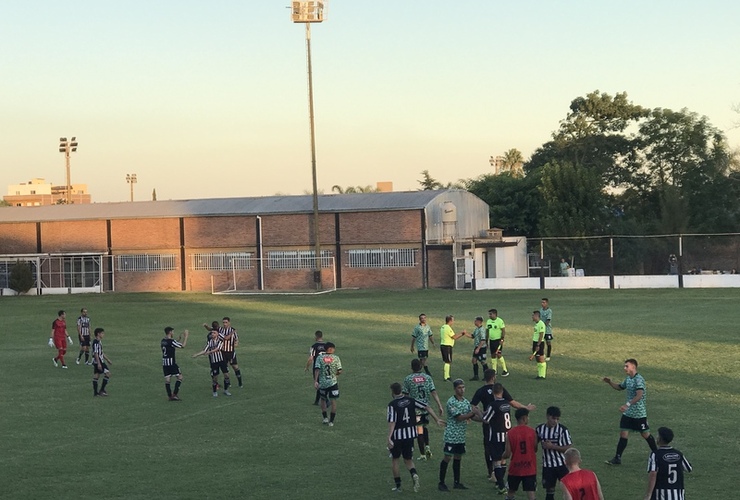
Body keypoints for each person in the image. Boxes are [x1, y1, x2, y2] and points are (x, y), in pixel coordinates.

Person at [471, 369, 537, 490]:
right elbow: (513, 403)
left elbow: (475, 408)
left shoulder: (481, 392)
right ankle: (500, 480)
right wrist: (526, 407)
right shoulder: (504, 398)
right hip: (506, 431)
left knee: (491, 451)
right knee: (503, 457)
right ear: (494, 377)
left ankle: (494, 477)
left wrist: (475, 415)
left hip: (492, 428)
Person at [387, 382, 444, 493]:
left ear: (393, 392)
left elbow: (392, 421)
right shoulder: (411, 400)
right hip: (410, 435)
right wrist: (436, 419)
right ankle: (414, 474)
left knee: (395, 460)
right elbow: (426, 407)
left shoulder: (392, 404)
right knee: (408, 459)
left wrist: (389, 437)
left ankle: (398, 486)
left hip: (397, 436)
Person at [603, 358, 658, 465]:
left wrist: (627, 405)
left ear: (633, 366)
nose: (624, 368)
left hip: (639, 414)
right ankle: (617, 458)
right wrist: (610, 382)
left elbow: (639, 395)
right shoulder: (628, 379)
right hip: (628, 414)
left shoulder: (639, 380)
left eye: (626, 366)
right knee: (623, 434)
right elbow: (620, 387)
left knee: (645, 435)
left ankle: (657, 454)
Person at [438, 379, 482, 492]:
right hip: (451, 435)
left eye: (463, 387)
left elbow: (471, 417)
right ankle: (441, 482)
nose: (462, 390)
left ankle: (456, 482)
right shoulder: (451, 402)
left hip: (460, 436)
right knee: (447, 457)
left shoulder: (466, 402)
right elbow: (459, 417)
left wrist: (483, 418)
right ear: (455, 389)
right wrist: (474, 412)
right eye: (459, 388)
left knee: (458, 457)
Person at [402, 358, 444, 461]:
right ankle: (427, 446)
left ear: (411, 367)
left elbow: (406, 396)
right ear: (421, 366)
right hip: (427, 408)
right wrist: (439, 405)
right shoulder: (427, 378)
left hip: (416, 410)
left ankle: (422, 454)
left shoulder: (408, 379)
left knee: (419, 430)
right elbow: (433, 392)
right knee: (424, 427)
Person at [643, 427, 692, 500]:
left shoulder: (655, 454)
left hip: (661, 494)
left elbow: (653, 474)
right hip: (677, 495)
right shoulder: (678, 454)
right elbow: (688, 468)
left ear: (659, 439)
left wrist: (648, 494)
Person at [481, 382, 512, 494]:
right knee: (503, 461)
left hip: (496, 437)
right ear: (502, 392)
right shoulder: (506, 404)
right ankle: (500, 484)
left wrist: (478, 412)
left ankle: (501, 486)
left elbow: (486, 419)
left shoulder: (493, 405)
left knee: (496, 462)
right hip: (507, 436)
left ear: (493, 392)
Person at [535, 406, 572, 500]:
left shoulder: (563, 430)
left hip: (561, 465)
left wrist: (552, 447)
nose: (555, 421)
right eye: (553, 418)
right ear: (547, 416)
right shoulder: (540, 429)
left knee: (568, 489)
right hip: (547, 466)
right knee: (549, 491)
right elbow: (534, 445)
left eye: (557, 419)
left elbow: (568, 448)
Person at [503, 408, 538, 500]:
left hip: (515, 467)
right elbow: (535, 448)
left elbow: (507, 454)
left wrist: (501, 457)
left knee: (511, 492)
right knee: (531, 493)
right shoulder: (532, 432)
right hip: (529, 467)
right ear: (524, 418)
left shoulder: (510, 433)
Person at [192, 329, 231, 397]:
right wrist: (197, 354)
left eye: (214, 333)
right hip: (214, 362)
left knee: (227, 375)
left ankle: (226, 390)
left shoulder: (220, 341)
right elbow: (204, 350)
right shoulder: (209, 342)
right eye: (212, 333)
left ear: (217, 334)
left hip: (222, 361)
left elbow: (218, 349)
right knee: (215, 377)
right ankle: (214, 391)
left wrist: (209, 352)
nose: (212, 334)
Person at [314, 342, 342, 426]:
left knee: (323, 400)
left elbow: (317, 369)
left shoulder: (320, 358)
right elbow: (340, 370)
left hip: (323, 382)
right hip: (333, 383)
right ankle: (331, 421)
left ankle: (325, 418)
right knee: (333, 401)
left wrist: (316, 380)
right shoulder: (336, 358)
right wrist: (336, 375)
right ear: (330, 348)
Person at [161, 326, 188, 401]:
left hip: (165, 362)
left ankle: (170, 396)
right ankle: (175, 394)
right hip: (171, 362)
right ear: (170, 332)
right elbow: (182, 346)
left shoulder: (163, 340)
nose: (173, 333)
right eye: (172, 332)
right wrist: (186, 337)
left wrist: (178, 339)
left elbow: (170, 345)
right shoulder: (171, 341)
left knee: (167, 379)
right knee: (180, 377)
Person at [440, 315, 468, 382]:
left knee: (446, 361)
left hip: (443, 345)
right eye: (453, 320)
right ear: (450, 321)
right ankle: (446, 377)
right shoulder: (448, 328)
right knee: (448, 361)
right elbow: (454, 337)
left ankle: (446, 376)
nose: (453, 322)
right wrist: (462, 333)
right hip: (447, 346)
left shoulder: (442, 327)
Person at [218, 317, 242, 388]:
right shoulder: (220, 330)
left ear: (229, 323)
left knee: (235, 367)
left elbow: (236, 341)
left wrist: (235, 344)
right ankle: (228, 383)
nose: (224, 324)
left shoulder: (232, 331)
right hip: (222, 352)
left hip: (230, 352)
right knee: (225, 368)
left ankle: (240, 382)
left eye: (226, 322)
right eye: (223, 322)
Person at [305, 330, 328, 405]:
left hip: (317, 367)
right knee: (321, 383)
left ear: (316, 337)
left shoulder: (314, 346)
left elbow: (311, 358)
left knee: (317, 383)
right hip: (325, 366)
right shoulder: (326, 346)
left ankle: (326, 400)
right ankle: (316, 401)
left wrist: (307, 366)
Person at [487, 308, 508, 377]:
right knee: (493, 355)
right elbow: (487, 331)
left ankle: (505, 370)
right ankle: (494, 370)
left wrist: (502, 339)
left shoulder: (499, 321)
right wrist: (486, 340)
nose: (489, 315)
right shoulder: (488, 321)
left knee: (498, 354)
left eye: (491, 314)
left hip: (498, 340)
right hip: (491, 340)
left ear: (495, 314)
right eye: (489, 314)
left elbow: (503, 330)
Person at [91, 328, 112, 397]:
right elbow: (96, 353)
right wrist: (99, 363)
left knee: (96, 375)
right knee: (108, 374)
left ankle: (95, 393)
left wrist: (107, 359)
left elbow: (101, 353)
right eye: (102, 333)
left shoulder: (99, 342)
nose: (103, 335)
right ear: (98, 334)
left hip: (99, 361)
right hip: (99, 361)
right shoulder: (96, 342)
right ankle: (102, 390)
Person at [469, 316, 488, 381]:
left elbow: (483, 340)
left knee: (483, 361)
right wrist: (465, 334)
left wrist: (478, 348)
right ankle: (476, 376)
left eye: (475, 321)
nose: (474, 322)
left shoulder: (482, 330)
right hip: (477, 347)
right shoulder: (476, 329)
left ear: (479, 321)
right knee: (474, 360)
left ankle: (487, 376)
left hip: (481, 348)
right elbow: (472, 336)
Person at [529, 310, 547, 380]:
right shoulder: (536, 324)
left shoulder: (541, 324)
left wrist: (538, 345)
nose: (532, 317)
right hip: (535, 342)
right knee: (537, 359)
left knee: (541, 359)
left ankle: (542, 375)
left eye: (533, 315)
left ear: (537, 316)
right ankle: (539, 374)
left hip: (539, 343)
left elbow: (541, 335)